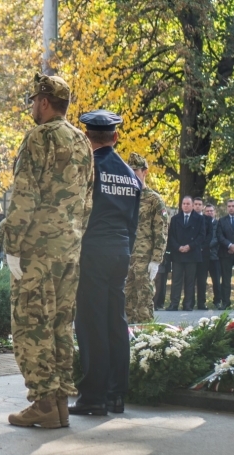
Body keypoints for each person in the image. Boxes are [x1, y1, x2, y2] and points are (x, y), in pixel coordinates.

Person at [1, 73, 93, 429]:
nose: (32, 108)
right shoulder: (82, 142)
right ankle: (59, 404)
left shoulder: (38, 137)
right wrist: (73, 239)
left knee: (31, 325)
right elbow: (87, 201)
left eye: (33, 101)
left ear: (43, 101)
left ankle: (43, 402)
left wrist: (12, 244)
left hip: (37, 251)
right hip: (69, 251)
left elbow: (25, 196)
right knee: (59, 325)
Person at [72, 110, 140, 417]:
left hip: (93, 251)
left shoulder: (87, 170)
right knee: (116, 321)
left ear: (87, 138)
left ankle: (93, 397)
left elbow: (76, 214)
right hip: (120, 251)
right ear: (115, 137)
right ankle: (116, 395)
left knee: (91, 323)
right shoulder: (129, 174)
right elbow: (133, 222)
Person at [124, 153, 168, 324]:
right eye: (130, 171)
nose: (132, 174)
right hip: (126, 255)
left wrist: (156, 260)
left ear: (145, 172)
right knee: (126, 300)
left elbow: (161, 231)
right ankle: (128, 335)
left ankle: (146, 335)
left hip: (145, 257)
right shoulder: (125, 197)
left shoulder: (154, 200)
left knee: (144, 300)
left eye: (136, 171)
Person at [166, 196, 204, 311]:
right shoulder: (175, 219)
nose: (186, 206)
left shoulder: (199, 219)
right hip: (178, 254)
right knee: (176, 280)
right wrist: (178, 247)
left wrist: (189, 246)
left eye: (188, 204)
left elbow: (201, 236)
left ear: (192, 205)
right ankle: (174, 304)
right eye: (184, 204)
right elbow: (171, 236)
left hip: (192, 254)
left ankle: (188, 304)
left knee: (190, 281)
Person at [191, 197, 213, 310]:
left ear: (203, 206)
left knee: (202, 279)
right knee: (190, 279)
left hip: (204, 253)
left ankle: (201, 303)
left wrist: (201, 247)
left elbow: (209, 235)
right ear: (193, 205)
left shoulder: (207, 219)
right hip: (191, 253)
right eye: (196, 204)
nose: (197, 206)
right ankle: (189, 303)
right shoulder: (189, 217)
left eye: (200, 204)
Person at [204, 204, 223, 309]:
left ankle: (217, 301)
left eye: (211, 211)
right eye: (207, 211)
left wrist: (206, 245)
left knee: (216, 281)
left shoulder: (218, 224)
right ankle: (201, 302)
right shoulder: (202, 223)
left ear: (214, 212)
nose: (209, 213)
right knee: (202, 281)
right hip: (204, 257)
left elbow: (218, 238)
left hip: (215, 257)